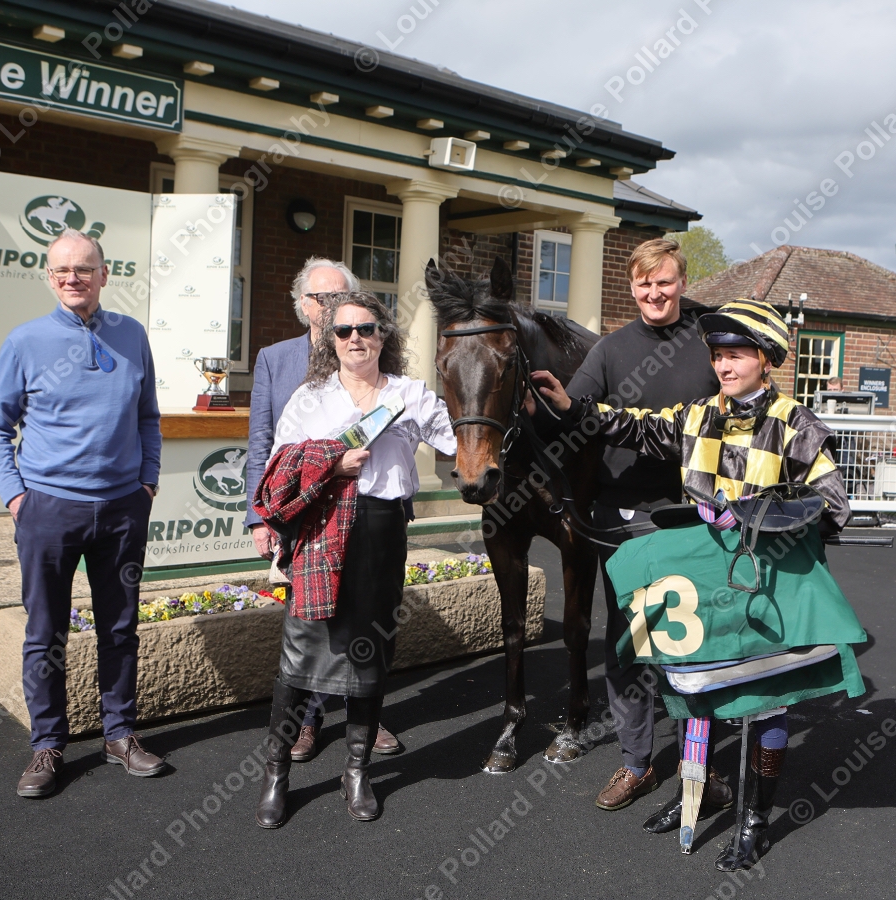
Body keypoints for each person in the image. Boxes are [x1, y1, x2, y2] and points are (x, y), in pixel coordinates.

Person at [532, 297, 858, 870]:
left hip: (767, 583)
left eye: (738, 355)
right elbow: (631, 425)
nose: (725, 366)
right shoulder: (698, 415)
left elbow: (832, 505)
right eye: (718, 356)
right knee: (694, 690)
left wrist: (751, 514)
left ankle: (755, 821)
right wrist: (570, 406)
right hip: (705, 577)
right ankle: (696, 792)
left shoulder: (797, 423)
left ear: (765, 359)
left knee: (765, 704)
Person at [252, 291, 455, 827]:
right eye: (344, 331)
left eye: (366, 328)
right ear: (331, 340)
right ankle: (276, 774)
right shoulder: (310, 397)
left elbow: (460, 442)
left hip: (382, 532)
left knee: (370, 655)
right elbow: (279, 467)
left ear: (384, 335)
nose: (355, 338)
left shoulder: (410, 394)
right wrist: (332, 463)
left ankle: (356, 771)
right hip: (321, 531)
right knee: (300, 656)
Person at [0, 229, 165, 798]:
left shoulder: (131, 335)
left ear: (104, 275)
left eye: (84, 268)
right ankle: (47, 745)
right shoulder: (24, 341)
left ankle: (119, 734)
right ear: (49, 277)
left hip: (122, 508)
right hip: (49, 510)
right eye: (61, 269)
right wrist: (17, 497)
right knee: (45, 632)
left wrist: (147, 482)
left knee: (120, 626)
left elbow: (148, 416)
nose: (72, 278)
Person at [562, 238, 721, 814]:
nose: (654, 293)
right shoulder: (610, 349)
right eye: (643, 283)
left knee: (694, 637)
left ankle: (698, 761)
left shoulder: (710, 344)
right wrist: (541, 404)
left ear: (682, 283)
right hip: (623, 515)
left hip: (694, 513)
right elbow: (571, 412)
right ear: (631, 287)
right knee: (630, 637)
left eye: (664, 281)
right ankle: (636, 763)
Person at [243, 258, 403, 760]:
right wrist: (260, 516)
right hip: (305, 515)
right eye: (320, 298)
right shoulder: (275, 359)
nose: (330, 307)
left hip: (372, 518)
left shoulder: (371, 351)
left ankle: (364, 718)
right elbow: (261, 441)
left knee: (366, 623)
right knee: (308, 626)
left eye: (338, 297)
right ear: (303, 306)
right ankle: (306, 722)